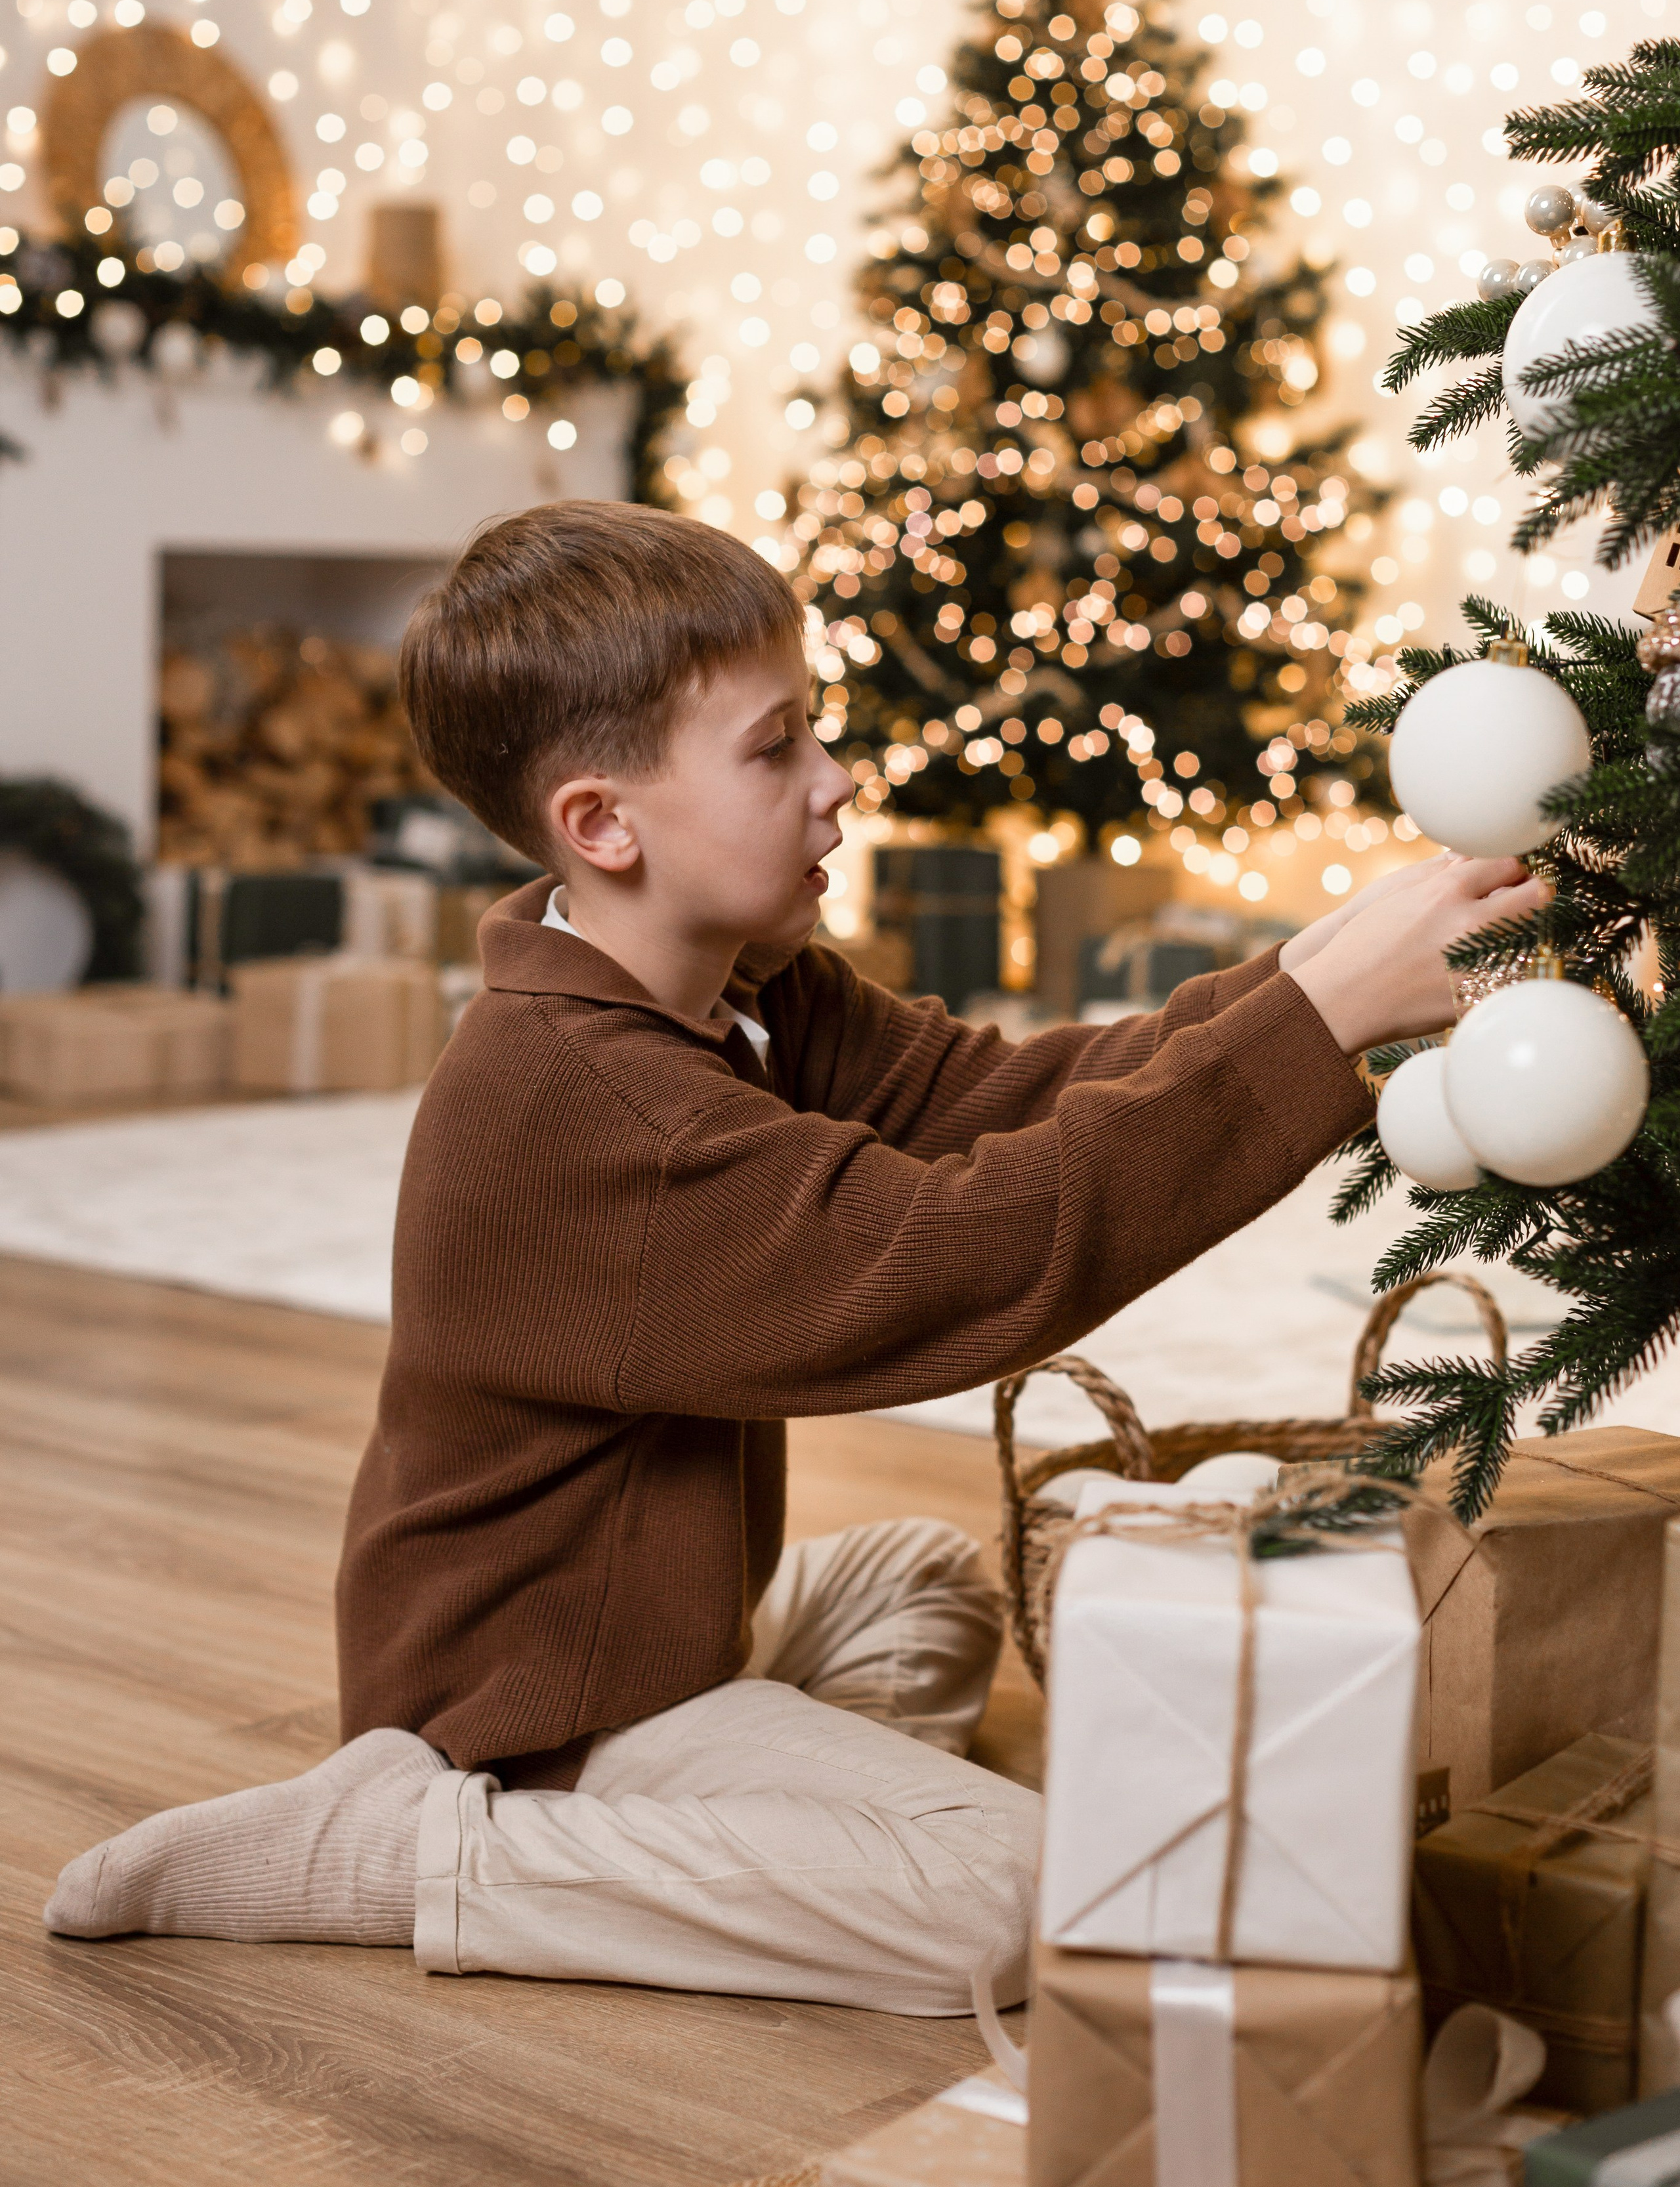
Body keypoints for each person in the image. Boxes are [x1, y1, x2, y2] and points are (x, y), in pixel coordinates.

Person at [43, 501, 1545, 2012]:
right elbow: (950, 1257)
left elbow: (1002, 1101)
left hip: (668, 1632)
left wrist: (1312, 967)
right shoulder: (582, 1106)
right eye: (776, 750)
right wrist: (1317, 1025)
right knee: (1012, 1897)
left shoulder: (747, 992)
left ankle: (736, 1826)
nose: (835, 781)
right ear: (601, 825)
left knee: (924, 1581)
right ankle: (420, 1848)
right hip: (530, 1706)